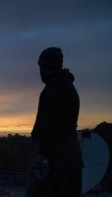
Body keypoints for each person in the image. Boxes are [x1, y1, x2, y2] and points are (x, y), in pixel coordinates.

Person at [25, 47, 83, 197]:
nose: (40, 72)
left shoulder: (58, 87)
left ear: (46, 67)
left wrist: (43, 153)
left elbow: (54, 123)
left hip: (57, 153)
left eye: (41, 67)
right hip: (59, 151)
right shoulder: (61, 85)